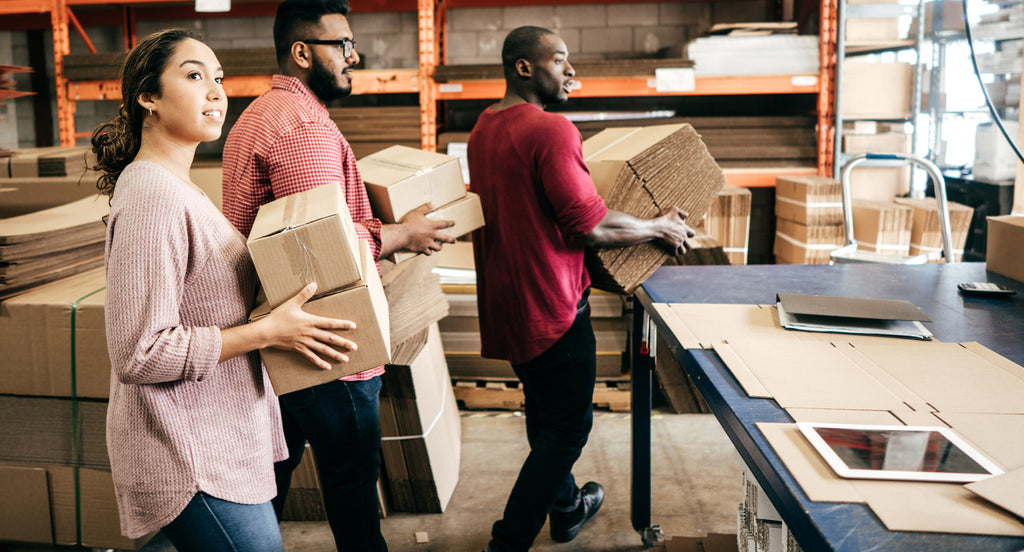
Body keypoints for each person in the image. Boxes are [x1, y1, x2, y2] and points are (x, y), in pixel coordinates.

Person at [94, 29, 358, 552]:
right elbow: (140, 351)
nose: (216, 91)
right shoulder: (153, 197)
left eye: (218, 78)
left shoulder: (178, 189)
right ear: (147, 96)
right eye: (194, 76)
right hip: (187, 449)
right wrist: (266, 332)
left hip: (216, 435)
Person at [221, 1, 454, 549]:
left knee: (273, 480)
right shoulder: (303, 129)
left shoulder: (260, 115)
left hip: (293, 337)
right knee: (352, 497)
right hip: (329, 349)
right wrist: (402, 234)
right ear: (302, 52)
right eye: (341, 46)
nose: (354, 57)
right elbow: (318, 252)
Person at [468, 26, 697, 552]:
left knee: (545, 414)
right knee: (566, 432)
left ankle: (568, 508)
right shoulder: (550, 131)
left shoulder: (484, 128)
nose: (572, 71)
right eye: (561, 60)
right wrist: (658, 227)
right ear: (525, 68)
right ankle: (508, 542)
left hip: (509, 305)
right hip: (553, 307)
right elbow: (589, 225)